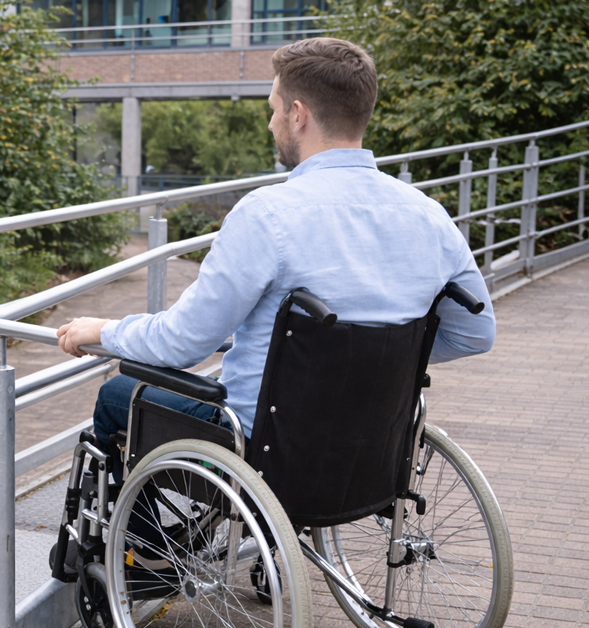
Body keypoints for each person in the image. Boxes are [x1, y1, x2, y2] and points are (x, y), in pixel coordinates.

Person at [55, 37, 496, 467]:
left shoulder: (266, 215)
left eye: (273, 108)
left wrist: (103, 330)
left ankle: (140, 542)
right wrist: (374, 363)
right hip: (371, 446)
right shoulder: (430, 216)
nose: (270, 124)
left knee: (120, 393)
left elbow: (183, 342)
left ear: (298, 114)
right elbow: (474, 334)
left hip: (262, 451)